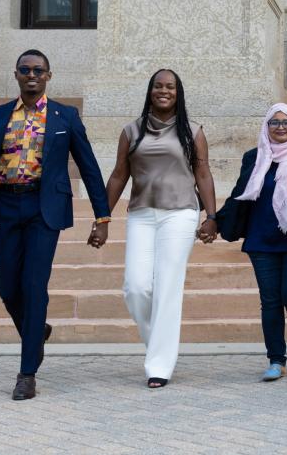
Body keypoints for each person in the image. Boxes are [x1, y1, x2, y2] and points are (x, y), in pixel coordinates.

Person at [0, 49, 111, 400]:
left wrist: (101, 217)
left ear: (48, 76)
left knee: (34, 286)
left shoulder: (65, 116)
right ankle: (36, 330)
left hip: (45, 209)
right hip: (7, 204)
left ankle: (27, 372)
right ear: (16, 75)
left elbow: (88, 166)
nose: (32, 75)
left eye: (38, 70)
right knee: (8, 288)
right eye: (25, 70)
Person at [207, 103, 287, 382]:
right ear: (266, 127)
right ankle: (276, 360)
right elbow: (239, 193)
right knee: (270, 301)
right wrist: (215, 221)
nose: (280, 127)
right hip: (262, 237)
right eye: (274, 123)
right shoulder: (253, 156)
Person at [103, 69, 216, 388]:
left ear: (178, 93)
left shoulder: (192, 131)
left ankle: (160, 365)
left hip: (179, 213)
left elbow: (203, 174)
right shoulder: (132, 130)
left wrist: (211, 215)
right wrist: (102, 217)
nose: (163, 91)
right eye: (158, 86)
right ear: (150, 91)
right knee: (136, 287)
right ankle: (160, 345)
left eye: (170, 87)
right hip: (141, 212)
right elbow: (117, 175)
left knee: (167, 286)